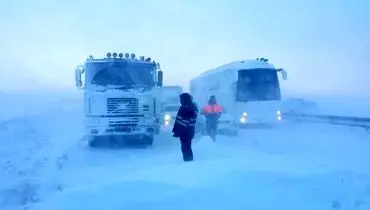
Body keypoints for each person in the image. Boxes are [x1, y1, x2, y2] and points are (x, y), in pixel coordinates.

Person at [172, 93, 197, 162]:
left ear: (185, 99)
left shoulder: (188, 108)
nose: (180, 101)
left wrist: (178, 131)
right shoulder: (185, 107)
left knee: (186, 147)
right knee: (185, 147)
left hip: (187, 132)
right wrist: (176, 129)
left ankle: (188, 161)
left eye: (181, 99)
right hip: (186, 131)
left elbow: (185, 122)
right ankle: (187, 160)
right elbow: (179, 120)